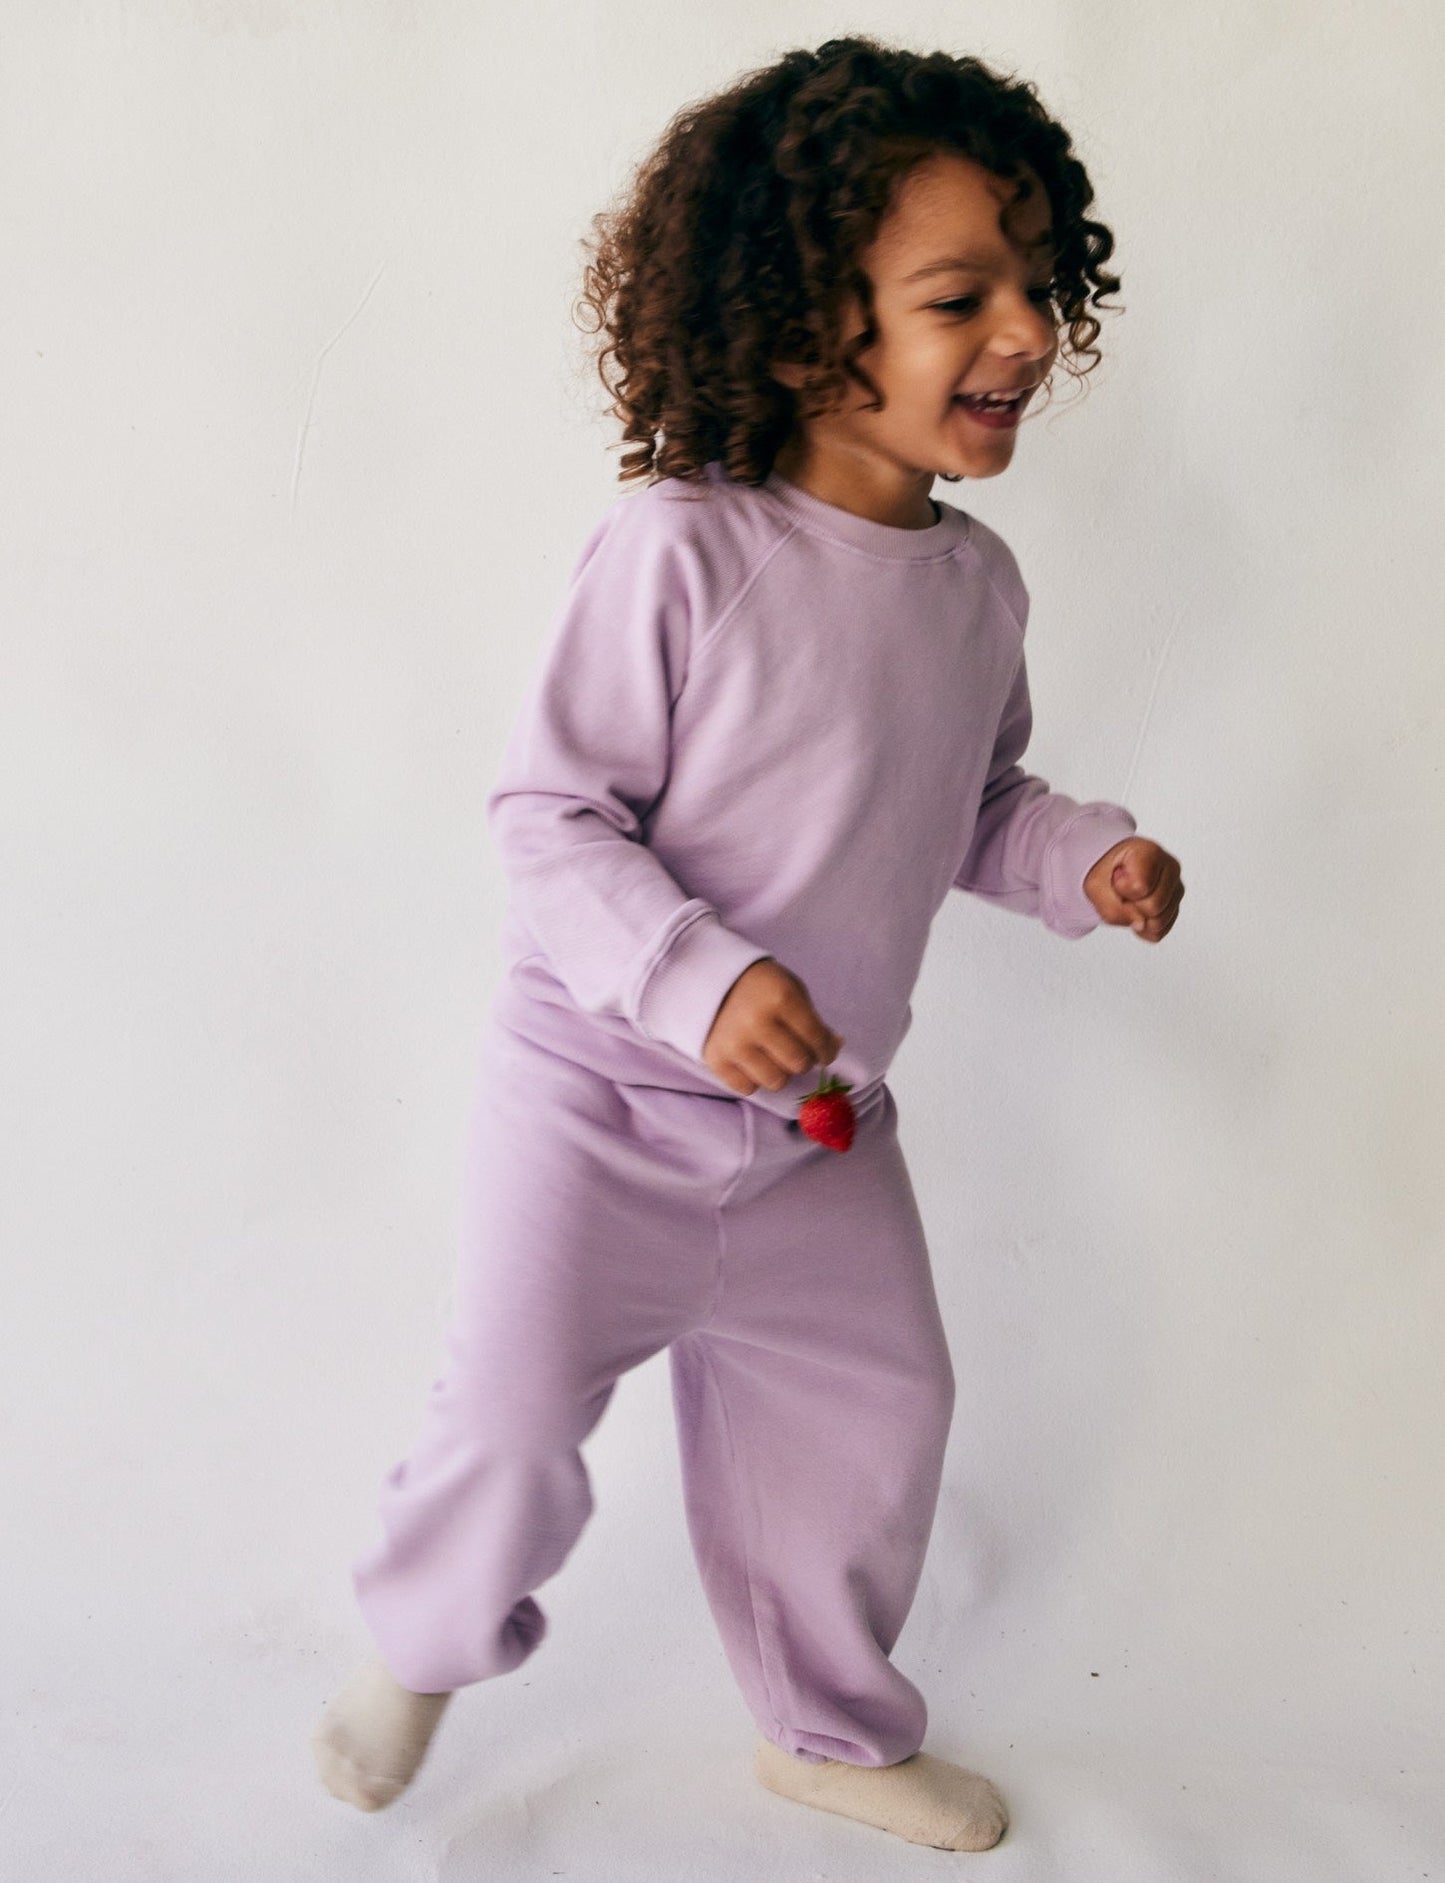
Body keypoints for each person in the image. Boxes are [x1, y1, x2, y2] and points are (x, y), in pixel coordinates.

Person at [310, 34, 1185, 1854]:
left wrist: (1082, 858)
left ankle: (828, 1730)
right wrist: (698, 979)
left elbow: (972, 803)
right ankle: (424, 1638)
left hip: (815, 1140)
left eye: (1038, 285)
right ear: (804, 331)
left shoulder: (974, 586)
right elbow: (547, 820)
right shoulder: (678, 553)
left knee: (875, 1414)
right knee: (513, 1433)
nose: (1024, 331)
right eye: (962, 297)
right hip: (595, 1112)